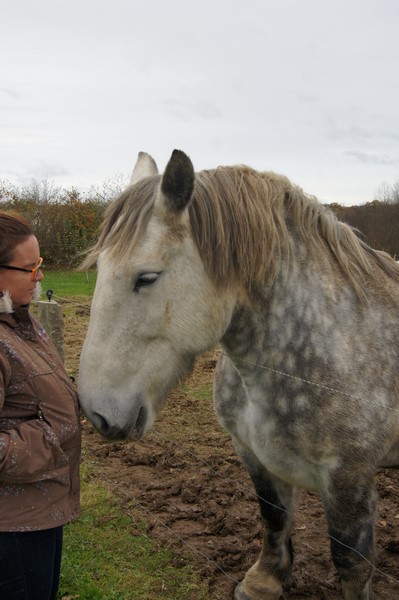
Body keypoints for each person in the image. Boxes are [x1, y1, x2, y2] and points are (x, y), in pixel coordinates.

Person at [0, 211, 81, 600]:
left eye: (41, 265)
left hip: (39, 511)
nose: (41, 277)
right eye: (30, 268)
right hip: (11, 530)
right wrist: (53, 436)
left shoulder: (21, 323)